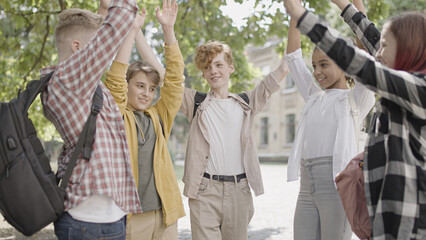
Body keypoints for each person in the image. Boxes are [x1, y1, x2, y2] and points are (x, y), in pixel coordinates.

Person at [283, 0, 426, 239]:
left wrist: (302, 15)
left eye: (385, 46)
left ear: (407, 49)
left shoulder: (416, 89)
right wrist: (348, 5)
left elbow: (362, 62)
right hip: (383, 211)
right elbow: (370, 47)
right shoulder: (316, 97)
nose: (377, 54)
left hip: (408, 220)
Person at [40, 0, 141, 239]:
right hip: (87, 224)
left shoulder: (83, 85)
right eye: (94, 46)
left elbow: (98, 32)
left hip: (110, 218)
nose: (102, 53)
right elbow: (114, 27)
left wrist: (103, 9)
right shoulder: (67, 80)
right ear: (77, 47)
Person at [176, 39, 289, 239]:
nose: (213, 71)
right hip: (204, 192)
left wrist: (295, 17)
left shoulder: (247, 102)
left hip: (239, 191)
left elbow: (283, 68)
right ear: (203, 73)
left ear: (231, 68)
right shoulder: (195, 102)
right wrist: (167, 30)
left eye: (219, 64)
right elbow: (167, 79)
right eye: (208, 67)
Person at [285, 2, 375, 238]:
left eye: (324, 64)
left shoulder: (356, 98)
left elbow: (366, 54)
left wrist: (357, 5)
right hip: (307, 187)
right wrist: (295, 12)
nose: (316, 72)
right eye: (314, 66)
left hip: (337, 188)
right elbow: (294, 58)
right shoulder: (314, 97)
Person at [101, 0, 185, 239]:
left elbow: (175, 80)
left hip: (166, 214)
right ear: (127, 87)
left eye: (151, 89)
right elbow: (115, 79)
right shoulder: (116, 115)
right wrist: (132, 32)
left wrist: (168, 30)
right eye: (139, 86)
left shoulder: (159, 116)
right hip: (131, 217)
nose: (146, 93)